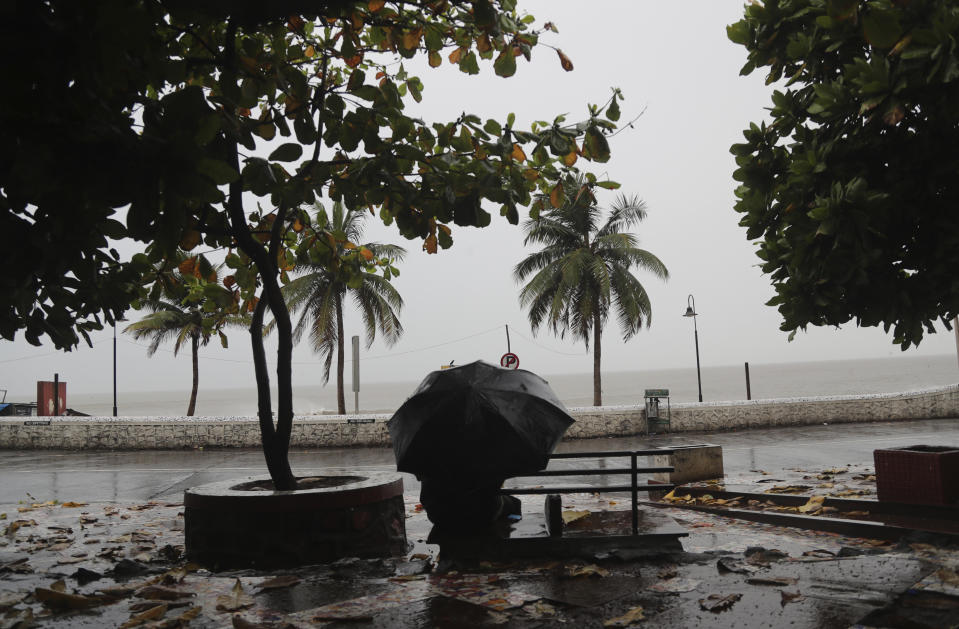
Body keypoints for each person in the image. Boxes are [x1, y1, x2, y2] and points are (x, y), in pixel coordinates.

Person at [418, 474, 521, 533]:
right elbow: (495, 487)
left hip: (438, 515)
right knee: (515, 503)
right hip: (482, 513)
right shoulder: (486, 451)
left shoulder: (431, 451)